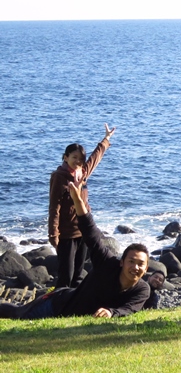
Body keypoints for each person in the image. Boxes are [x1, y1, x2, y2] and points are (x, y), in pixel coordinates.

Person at [1, 182, 149, 320]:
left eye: (140, 264)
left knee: (18, 311)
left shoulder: (142, 289)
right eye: (131, 261)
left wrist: (111, 312)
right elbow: (91, 234)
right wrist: (78, 202)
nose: (135, 267)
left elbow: (130, 309)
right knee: (17, 313)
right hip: (57, 305)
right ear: (122, 262)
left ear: (146, 267)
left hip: (72, 313)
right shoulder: (107, 263)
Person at [48, 123, 116, 288]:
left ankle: (75, 307)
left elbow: (95, 158)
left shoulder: (82, 173)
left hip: (83, 230)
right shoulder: (59, 177)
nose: (78, 161)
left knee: (79, 274)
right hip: (67, 233)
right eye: (74, 158)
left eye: (80, 159)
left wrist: (106, 139)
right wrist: (53, 234)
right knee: (66, 276)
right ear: (65, 157)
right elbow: (54, 207)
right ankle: (59, 307)